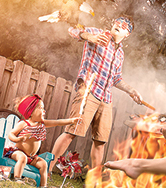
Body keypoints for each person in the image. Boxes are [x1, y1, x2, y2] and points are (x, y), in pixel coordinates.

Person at [48, 15, 145, 173]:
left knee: (100, 141)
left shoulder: (120, 53)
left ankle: (93, 186)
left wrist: (132, 91)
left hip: (106, 98)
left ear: (127, 34)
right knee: (71, 132)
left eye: (124, 25)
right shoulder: (97, 33)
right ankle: (47, 169)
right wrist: (90, 37)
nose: (118, 25)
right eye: (117, 22)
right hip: (89, 91)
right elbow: (73, 30)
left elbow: (116, 79)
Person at [6, 95, 81, 187]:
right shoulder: (24, 124)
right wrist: (18, 139)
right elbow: (11, 134)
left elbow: (57, 122)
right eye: (41, 108)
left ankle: (43, 186)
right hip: (18, 152)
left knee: (44, 164)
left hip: (32, 157)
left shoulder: (42, 124)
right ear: (31, 111)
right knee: (22, 158)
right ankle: (17, 178)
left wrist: (71, 121)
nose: (44, 111)